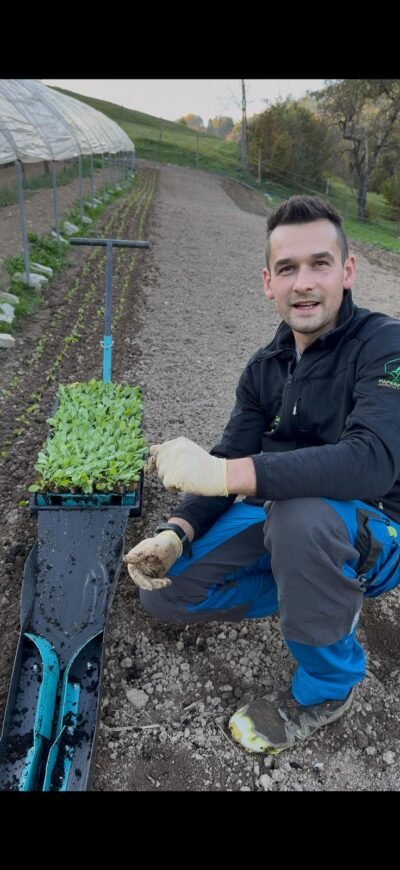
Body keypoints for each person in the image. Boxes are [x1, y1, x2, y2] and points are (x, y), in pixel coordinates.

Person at [124, 194, 400, 754]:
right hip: (289, 524)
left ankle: (327, 686)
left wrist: (229, 475)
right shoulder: (263, 368)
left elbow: (370, 459)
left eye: (319, 264)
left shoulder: (385, 345)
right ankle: (311, 593)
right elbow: (229, 456)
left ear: (346, 271)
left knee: (301, 517)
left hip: (374, 530)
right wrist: (178, 531)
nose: (304, 283)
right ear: (267, 282)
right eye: (287, 268)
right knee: (166, 595)